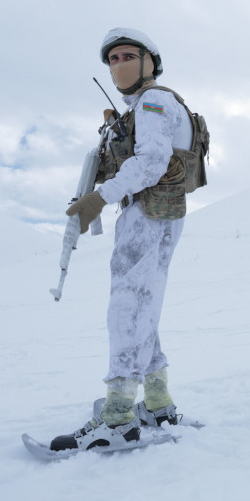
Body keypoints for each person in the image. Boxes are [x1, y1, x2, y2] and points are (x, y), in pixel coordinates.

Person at [51, 28, 196, 451]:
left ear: (150, 61)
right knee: (143, 305)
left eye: (127, 56)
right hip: (160, 213)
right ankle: (157, 401)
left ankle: (117, 417)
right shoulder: (152, 106)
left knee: (127, 307)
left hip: (147, 212)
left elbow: (151, 162)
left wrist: (100, 197)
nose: (119, 64)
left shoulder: (153, 101)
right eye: (112, 60)